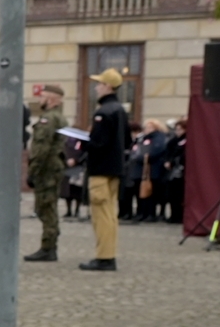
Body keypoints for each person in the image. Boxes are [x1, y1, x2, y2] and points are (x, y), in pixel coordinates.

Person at [82, 68, 129, 271]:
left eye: (99, 84)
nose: (96, 88)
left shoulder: (103, 112)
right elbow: (127, 140)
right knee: (110, 214)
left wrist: (83, 142)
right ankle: (108, 255)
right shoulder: (120, 110)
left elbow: (98, 143)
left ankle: (104, 257)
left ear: (108, 86)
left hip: (100, 169)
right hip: (115, 168)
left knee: (101, 216)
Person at [23, 85, 67, 262]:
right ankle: (49, 246)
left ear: (51, 99)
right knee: (48, 206)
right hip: (53, 167)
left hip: (47, 169)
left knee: (46, 208)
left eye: (42, 97)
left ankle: (48, 247)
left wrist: (33, 171)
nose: (39, 100)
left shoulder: (48, 119)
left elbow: (42, 148)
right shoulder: (58, 117)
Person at [132, 119, 169, 223]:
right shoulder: (143, 138)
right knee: (142, 192)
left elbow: (156, 151)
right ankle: (142, 213)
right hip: (143, 169)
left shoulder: (159, 137)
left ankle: (151, 214)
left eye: (150, 127)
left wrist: (143, 157)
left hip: (154, 169)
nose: (147, 129)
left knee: (152, 193)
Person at [161, 118, 186, 223]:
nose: (178, 132)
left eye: (180, 129)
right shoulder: (173, 141)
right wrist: (167, 161)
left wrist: (172, 161)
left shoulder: (186, 140)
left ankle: (179, 216)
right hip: (171, 172)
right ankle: (173, 215)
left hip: (180, 171)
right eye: (176, 129)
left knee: (179, 195)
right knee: (172, 195)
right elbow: (167, 152)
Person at [61, 135, 86, 220]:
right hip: (66, 167)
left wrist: (76, 160)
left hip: (78, 168)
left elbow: (84, 153)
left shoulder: (81, 141)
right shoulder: (65, 141)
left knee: (77, 190)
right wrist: (65, 160)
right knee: (67, 191)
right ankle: (68, 210)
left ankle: (77, 210)